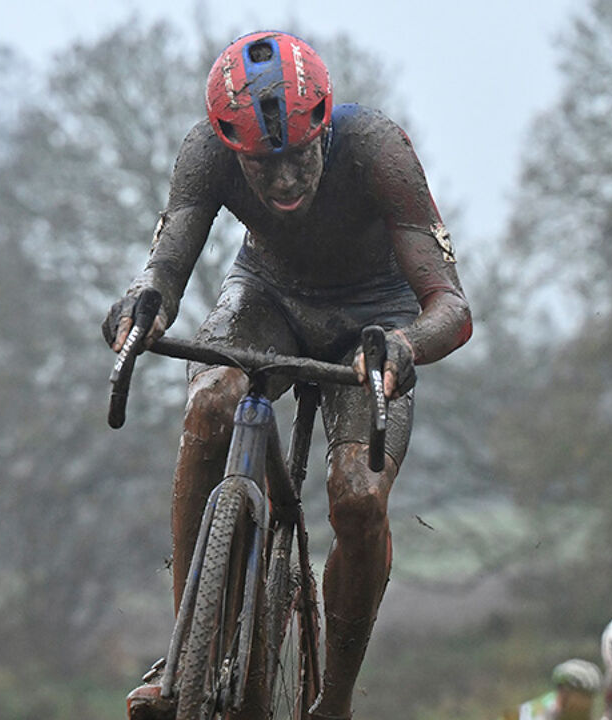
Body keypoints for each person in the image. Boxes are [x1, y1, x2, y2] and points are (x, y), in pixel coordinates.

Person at [102, 30, 471, 720]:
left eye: (299, 155)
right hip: (268, 296)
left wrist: (405, 345)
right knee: (210, 401)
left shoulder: (377, 149)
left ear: (323, 128)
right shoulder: (206, 152)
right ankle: (187, 653)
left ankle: (334, 701)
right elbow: (165, 268)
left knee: (357, 496)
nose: (284, 181)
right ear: (231, 149)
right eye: (260, 166)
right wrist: (141, 305)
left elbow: (450, 307)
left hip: (374, 321)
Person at [501, 659, 603, 720]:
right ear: (563, 693)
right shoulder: (529, 714)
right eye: (583, 696)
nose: (588, 704)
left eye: (591, 697)